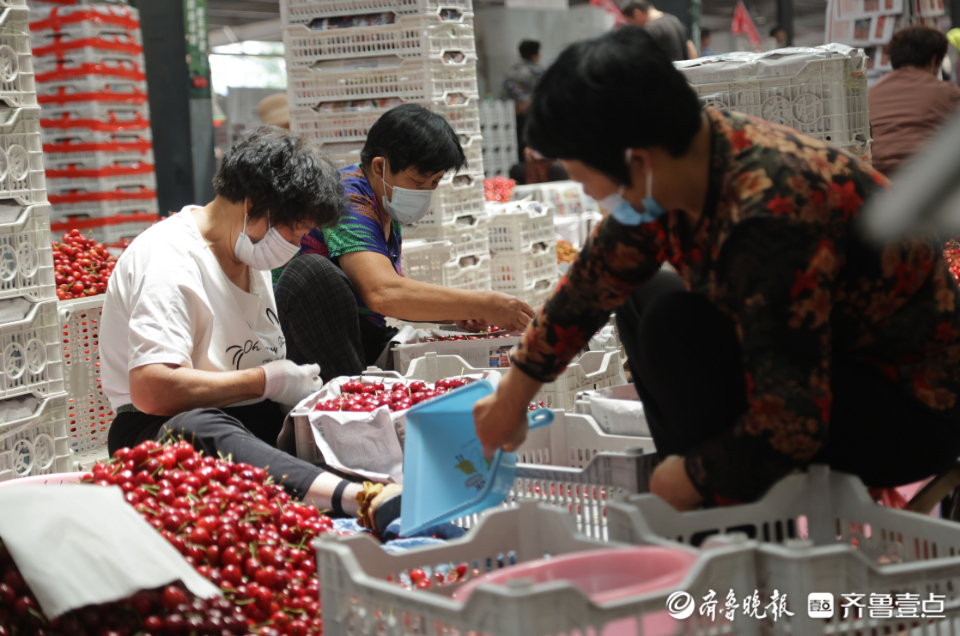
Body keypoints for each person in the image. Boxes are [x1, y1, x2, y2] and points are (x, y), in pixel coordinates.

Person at [473, 27, 960, 512]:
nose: (589, 196)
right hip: (826, 370)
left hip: (912, 411)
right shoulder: (688, 159)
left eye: (585, 180)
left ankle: (736, 530)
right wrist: (513, 397)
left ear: (634, 160)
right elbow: (590, 283)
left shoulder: (770, 214)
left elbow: (793, 422)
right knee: (642, 300)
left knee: (675, 327)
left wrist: (692, 477)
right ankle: (716, 505)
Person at [102, 128, 401, 531]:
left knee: (314, 275)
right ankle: (355, 498)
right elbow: (152, 390)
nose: (294, 244)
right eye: (294, 232)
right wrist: (265, 381)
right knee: (198, 426)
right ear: (254, 205)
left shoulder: (245, 251)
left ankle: (358, 472)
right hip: (162, 428)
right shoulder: (168, 262)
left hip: (246, 417)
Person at [275, 104, 534, 381]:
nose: (426, 193)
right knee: (314, 271)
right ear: (379, 167)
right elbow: (382, 292)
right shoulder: (349, 199)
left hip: (356, 331)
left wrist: (456, 313)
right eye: (418, 181)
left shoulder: (384, 203)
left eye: (434, 183)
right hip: (310, 341)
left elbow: (389, 291)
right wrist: (484, 304)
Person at [869, 26, 960, 177]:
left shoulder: (870, 94)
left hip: (878, 180)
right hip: (924, 179)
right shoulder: (947, 92)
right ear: (933, 60)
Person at [501, 40, 544, 162]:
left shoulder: (512, 72)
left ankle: (523, 173)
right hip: (534, 117)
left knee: (519, 146)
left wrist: (516, 106)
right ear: (536, 55)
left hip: (516, 115)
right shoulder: (539, 71)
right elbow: (545, 94)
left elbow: (504, 95)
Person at [621, 1, 696, 61]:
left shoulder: (651, 29)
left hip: (665, 78)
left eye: (631, 22)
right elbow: (692, 52)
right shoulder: (674, 20)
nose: (633, 27)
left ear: (637, 13)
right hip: (681, 77)